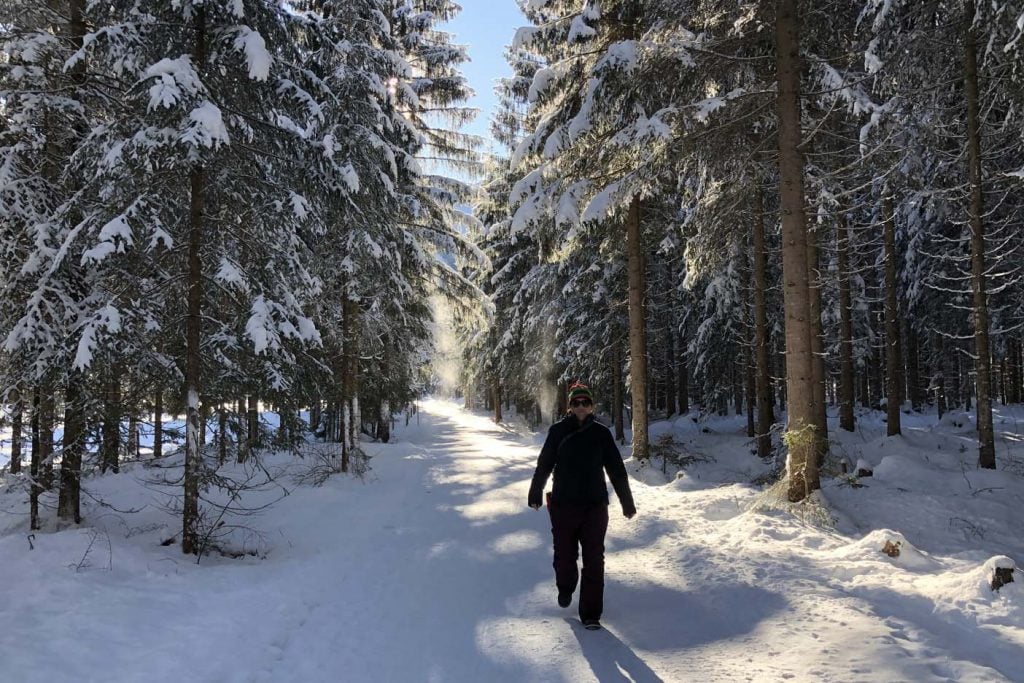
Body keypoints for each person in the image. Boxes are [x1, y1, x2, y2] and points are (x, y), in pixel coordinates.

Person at [528, 382, 636, 631]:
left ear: (592, 406)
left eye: (585, 403)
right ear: (569, 406)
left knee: (594, 558)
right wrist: (535, 493)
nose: (580, 407)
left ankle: (590, 614)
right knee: (565, 556)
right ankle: (565, 587)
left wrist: (626, 502)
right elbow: (544, 464)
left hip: (595, 506)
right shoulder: (557, 432)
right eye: (576, 403)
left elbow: (617, 471)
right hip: (564, 505)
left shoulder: (601, 434)